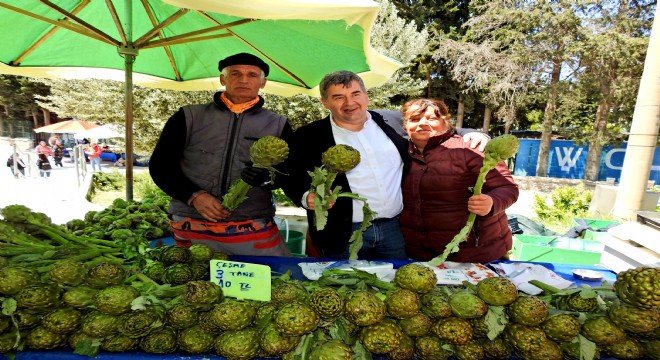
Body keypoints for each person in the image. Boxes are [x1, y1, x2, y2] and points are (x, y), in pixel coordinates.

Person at [282, 71, 490, 260]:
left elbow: (436, 127)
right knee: (345, 288)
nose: (349, 102)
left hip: (395, 228)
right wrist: (304, 197)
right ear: (325, 102)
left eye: (355, 94)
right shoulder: (307, 136)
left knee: (396, 287)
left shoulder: (392, 120)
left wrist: (471, 132)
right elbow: (290, 175)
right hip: (342, 232)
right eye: (338, 97)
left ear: (366, 96)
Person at [149, 52, 291, 256]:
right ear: (223, 79)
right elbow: (161, 167)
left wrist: (267, 179)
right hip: (192, 222)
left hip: (251, 223)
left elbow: (288, 173)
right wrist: (194, 196)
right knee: (195, 283)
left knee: (266, 279)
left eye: (252, 75)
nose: (243, 80)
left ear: (263, 83)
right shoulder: (188, 116)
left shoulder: (278, 124)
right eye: (235, 73)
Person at [399, 98, 519, 263]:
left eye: (431, 118)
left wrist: (492, 202)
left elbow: (507, 187)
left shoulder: (470, 148)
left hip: (475, 254)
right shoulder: (399, 151)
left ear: (446, 121)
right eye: (414, 119)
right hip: (418, 254)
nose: (422, 123)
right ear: (405, 126)